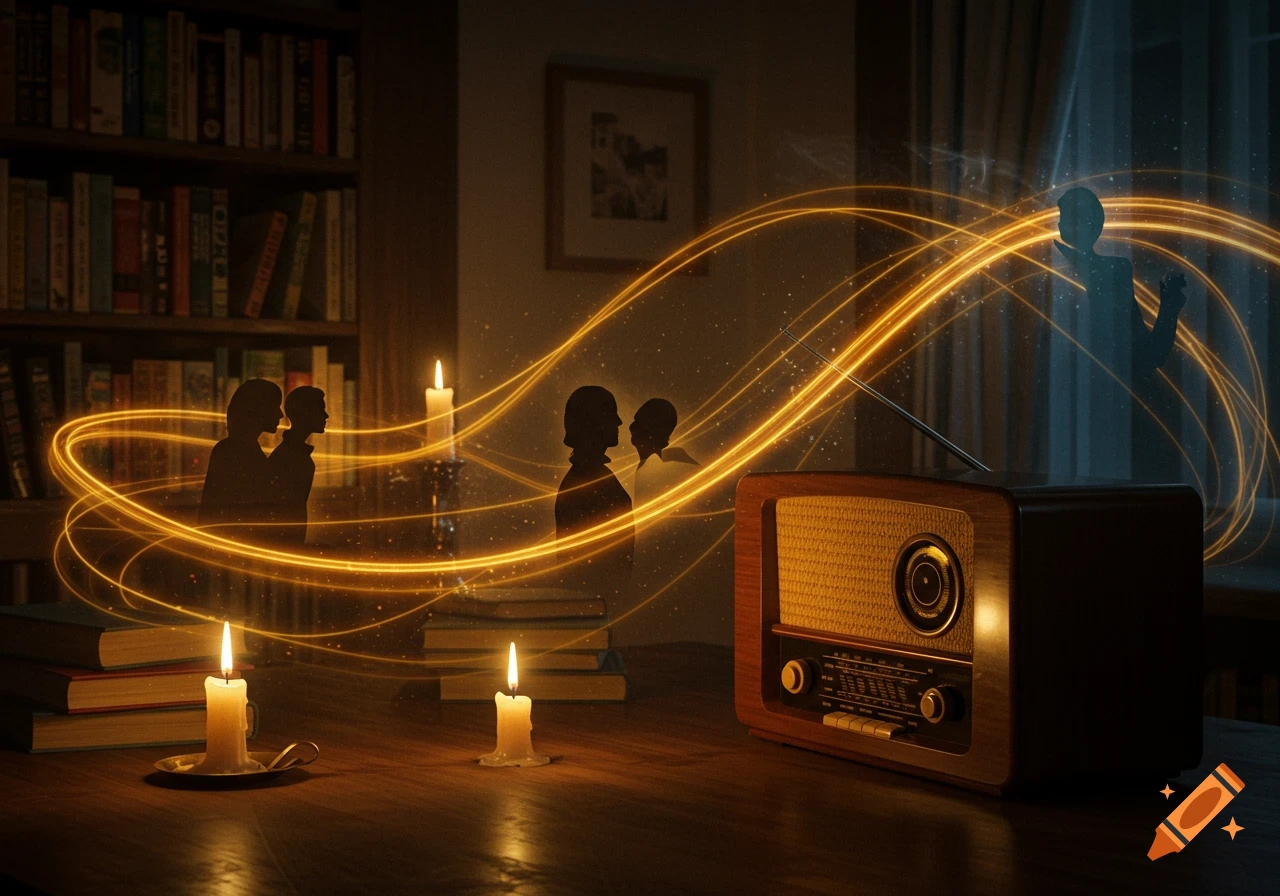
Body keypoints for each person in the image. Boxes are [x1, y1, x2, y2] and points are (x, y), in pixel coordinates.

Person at [1054, 187, 1188, 480]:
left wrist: (1169, 310)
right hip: (1073, 413)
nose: (1065, 225)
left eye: (1075, 218)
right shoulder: (1050, 269)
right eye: (1067, 218)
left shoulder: (1114, 270)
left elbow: (1143, 355)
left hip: (1109, 411)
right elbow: (1143, 356)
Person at [554, 385, 634, 597]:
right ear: (593, 421)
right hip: (600, 598)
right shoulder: (588, 482)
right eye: (611, 414)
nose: (619, 422)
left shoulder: (590, 477)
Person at [198, 378, 283, 539]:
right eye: (275, 406)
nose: (280, 414)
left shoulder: (239, 449)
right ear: (259, 409)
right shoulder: (235, 451)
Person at [265, 386, 328, 546]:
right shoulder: (290, 456)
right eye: (321, 409)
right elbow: (286, 512)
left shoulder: (293, 453)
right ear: (306, 413)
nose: (326, 416)